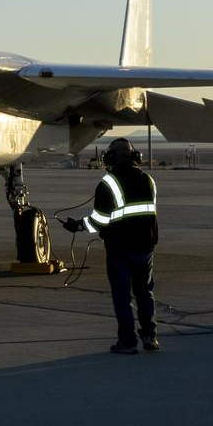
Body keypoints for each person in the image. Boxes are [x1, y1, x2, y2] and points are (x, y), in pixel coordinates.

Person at [62, 137, 160, 354]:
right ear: (136, 156)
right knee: (145, 293)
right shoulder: (148, 180)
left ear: (110, 158)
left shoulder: (108, 183)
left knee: (122, 297)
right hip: (145, 247)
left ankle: (127, 342)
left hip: (120, 249)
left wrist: (78, 226)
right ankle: (150, 337)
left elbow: (101, 220)